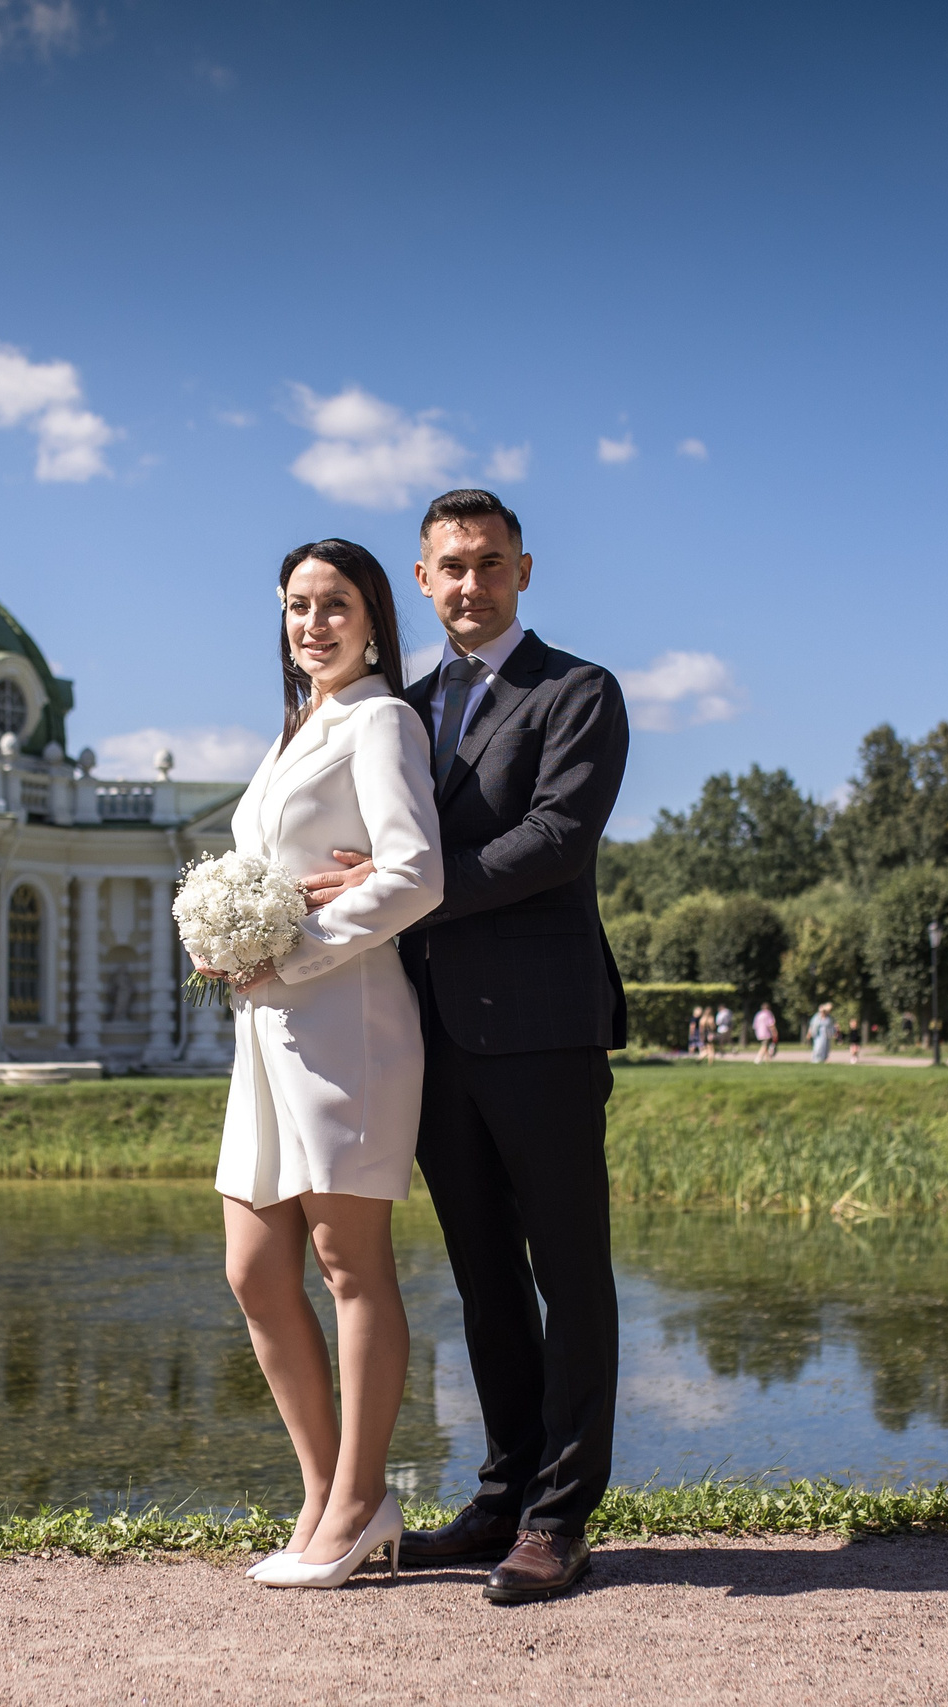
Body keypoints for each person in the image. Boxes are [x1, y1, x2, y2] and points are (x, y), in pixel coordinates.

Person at [307, 489, 627, 1605]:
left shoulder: (576, 693)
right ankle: (500, 1494)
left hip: (542, 1032)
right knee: (485, 1279)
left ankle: (559, 1516)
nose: (467, 584)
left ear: (523, 571)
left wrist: (407, 897)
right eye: (448, 566)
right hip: (427, 1035)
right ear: (422, 575)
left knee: (568, 1274)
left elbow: (553, 841)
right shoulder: (395, 704)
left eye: (488, 563)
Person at [207, 537, 443, 1591]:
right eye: (299, 607)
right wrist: (227, 934)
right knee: (254, 1271)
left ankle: (358, 1500)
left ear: (375, 618)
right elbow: (275, 873)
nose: (314, 624)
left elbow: (415, 872)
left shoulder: (382, 720)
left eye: (335, 605)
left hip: (346, 1021)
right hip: (266, 1033)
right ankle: (323, 1491)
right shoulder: (297, 727)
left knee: (351, 1269)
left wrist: (299, 946)